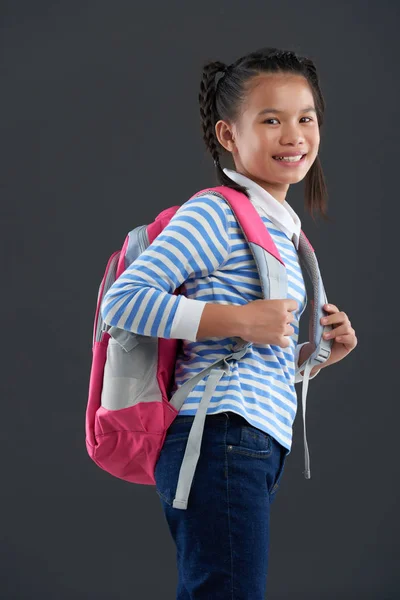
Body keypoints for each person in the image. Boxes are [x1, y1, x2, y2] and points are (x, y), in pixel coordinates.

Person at [100, 46, 357, 600]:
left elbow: (247, 362)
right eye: (271, 120)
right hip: (216, 437)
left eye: (305, 118)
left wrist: (311, 362)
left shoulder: (280, 230)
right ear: (228, 135)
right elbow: (121, 303)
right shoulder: (217, 211)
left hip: (247, 441)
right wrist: (240, 319)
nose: (294, 135)